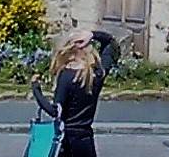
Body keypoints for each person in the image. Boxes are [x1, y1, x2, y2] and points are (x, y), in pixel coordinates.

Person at [31, 28, 120, 156]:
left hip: (67, 141)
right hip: (85, 139)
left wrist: (36, 89)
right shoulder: (97, 74)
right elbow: (111, 44)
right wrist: (92, 35)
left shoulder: (66, 76)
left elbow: (55, 111)